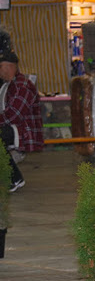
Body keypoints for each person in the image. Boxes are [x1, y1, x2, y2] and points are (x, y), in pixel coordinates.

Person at [0, 42, 43, 192]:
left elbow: (14, 115)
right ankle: (13, 178)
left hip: (23, 131)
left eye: (0, 66)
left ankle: (15, 178)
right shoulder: (9, 85)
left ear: (9, 67)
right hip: (15, 128)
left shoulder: (22, 85)